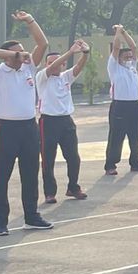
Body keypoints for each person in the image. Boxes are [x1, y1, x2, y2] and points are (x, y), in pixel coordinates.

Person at [0, 11, 53, 236]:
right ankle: (0, 221)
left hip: (29, 127)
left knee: (30, 174)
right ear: (7, 56)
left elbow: (43, 43)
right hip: (7, 129)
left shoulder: (28, 68)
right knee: (2, 176)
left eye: (22, 52)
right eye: (17, 53)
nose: (23, 56)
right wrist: (14, 54)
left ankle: (31, 216)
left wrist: (30, 20)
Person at [39, 41, 90, 204]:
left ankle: (73, 187)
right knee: (48, 159)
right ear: (45, 64)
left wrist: (85, 53)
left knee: (73, 157)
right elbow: (54, 66)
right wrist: (70, 52)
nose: (54, 65)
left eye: (58, 62)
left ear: (64, 65)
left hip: (66, 121)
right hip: (48, 121)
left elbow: (79, 67)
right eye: (50, 62)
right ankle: (49, 192)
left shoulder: (66, 76)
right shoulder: (42, 77)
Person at [104, 26, 138, 175]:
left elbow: (133, 46)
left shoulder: (132, 67)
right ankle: (110, 165)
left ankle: (136, 162)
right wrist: (118, 32)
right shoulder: (114, 67)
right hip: (120, 105)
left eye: (130, 56)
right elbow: (116, 48)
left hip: (134, 105)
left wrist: (124, 32)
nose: (129, 58)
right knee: (116, 137)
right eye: (126, 56)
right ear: (118, 58)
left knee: (135, 136)